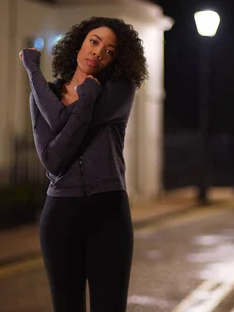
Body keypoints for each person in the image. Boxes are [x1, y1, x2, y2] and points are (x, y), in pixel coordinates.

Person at [18, 16, 148, 312]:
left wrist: (32, 71)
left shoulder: (119, 91)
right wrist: (39, 82)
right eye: (94, 41)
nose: (99, 52)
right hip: (60, 216)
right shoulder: (43, 95)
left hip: (109, 213)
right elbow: (53, 159)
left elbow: (63, 120)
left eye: (110, 51)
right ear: (78, 44)